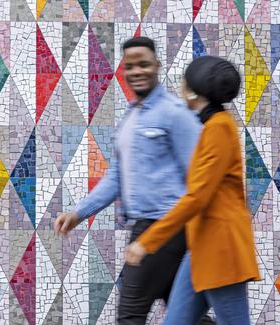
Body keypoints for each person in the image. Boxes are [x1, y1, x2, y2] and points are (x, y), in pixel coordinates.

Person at [53, 36, 211, 324]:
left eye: (144, 64)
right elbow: (117, 175)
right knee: (184, 313)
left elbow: (201, 176)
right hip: (151, 227)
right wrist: (79, 212)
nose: (137, 71)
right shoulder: (131, 117)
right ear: (124, 71)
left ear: (157, 66)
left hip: (165, 227)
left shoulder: (175, 114)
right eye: (130, 66)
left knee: (130, 313)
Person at [124, 55, 260, 325]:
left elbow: (198, 196)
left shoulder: (219, 128)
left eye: (185, 81)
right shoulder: (208, 125)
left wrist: (147, 241)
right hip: (201, 247)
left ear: (195, 89)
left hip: (220, 249)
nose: (180, 86)